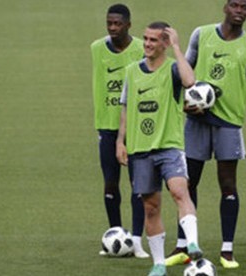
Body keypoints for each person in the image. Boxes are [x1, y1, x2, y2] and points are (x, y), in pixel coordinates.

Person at [166, 0, 246, 269]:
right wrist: (185, 102)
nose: (239, 11)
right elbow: (183, 71)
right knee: (188, 184)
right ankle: (184, 246)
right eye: (235, 5)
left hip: (229, 124)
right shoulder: (202, 34)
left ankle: (227, 250)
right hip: (196, 121)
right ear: (225, 7)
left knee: (228, 184)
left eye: (244, 7)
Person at [116, 21, 203, 276]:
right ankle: (159, 264)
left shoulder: (174, 70)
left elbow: (190, 81)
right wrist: (120, 141)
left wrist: (177, 47)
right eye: (145, 39)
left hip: (169, 146)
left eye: (154, 40)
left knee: (179, 190)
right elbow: (125, 108)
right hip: (140, 150)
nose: (147, 44)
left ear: (164, 43)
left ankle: (192, 243)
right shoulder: (132, 71)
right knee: (150, 207)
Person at [90, 3, 149, 258]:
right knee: (110, 183)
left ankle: (136, 241)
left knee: (139, 185)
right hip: (107, 126)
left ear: (128, 24)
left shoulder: (140, 50)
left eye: (117, 24)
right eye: (109, 23)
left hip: (136, 128)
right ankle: (114, 234)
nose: (112, 28)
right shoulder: (96, 49)